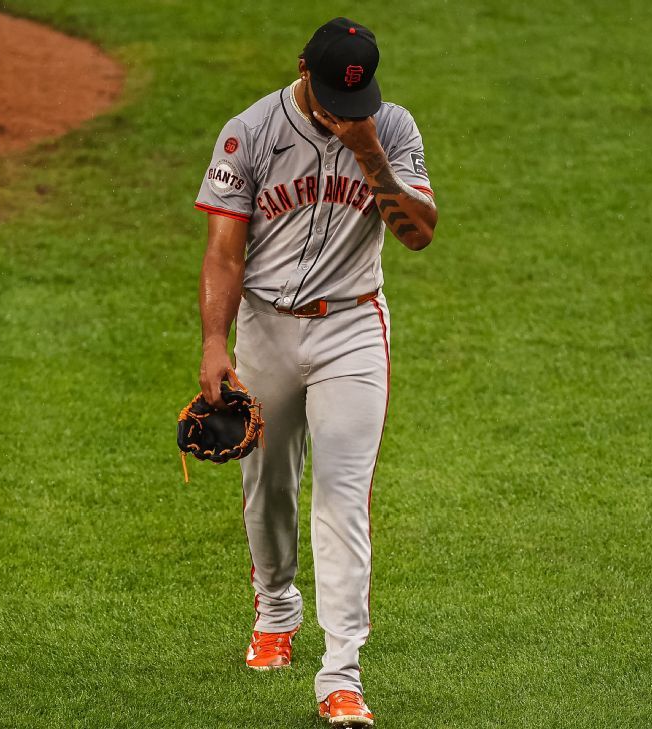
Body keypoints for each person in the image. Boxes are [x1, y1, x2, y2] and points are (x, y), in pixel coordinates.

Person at [193, 16, 437, 727]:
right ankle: (275, 605)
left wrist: (370, 156)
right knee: (267, 485)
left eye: (354, 104)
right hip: (264, 328)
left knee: (342, 495)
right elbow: (223, 252)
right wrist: (216, 343)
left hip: (353, 329)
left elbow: (418, 234)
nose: (343, 114)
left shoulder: (390, 128)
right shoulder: (250, 132)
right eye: (333, 100)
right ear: (304, 69)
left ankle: (343, 673)